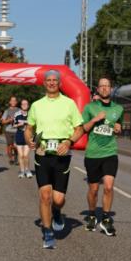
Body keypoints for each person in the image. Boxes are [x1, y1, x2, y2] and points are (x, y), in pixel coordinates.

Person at [25, 69, 84, 249]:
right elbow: (29, 128)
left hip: (61, 154)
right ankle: (48, 231)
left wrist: (69, 141)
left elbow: (79, 128)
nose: (51, 83)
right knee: (45, 195)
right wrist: (29, 140)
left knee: (58, 199)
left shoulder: (69, 104)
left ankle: (57, 211)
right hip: (42, 154)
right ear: (44, 83)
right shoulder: (36, 105)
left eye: (54, 80)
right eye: (48, 80)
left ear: (59, 83)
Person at [81, 77, 124, 236]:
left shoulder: (118, 109)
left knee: (108, 186)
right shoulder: (89, 107)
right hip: (93, 153)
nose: (105, 88)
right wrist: (95, 119)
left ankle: (106, 219)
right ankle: (92, 215)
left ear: (111, 89)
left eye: (107, 86)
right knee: (93, 189)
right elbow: (84, 128)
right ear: (97, 89)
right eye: (102, 86)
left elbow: (119, 127)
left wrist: (119, 128)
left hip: (110, 152)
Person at [14, 98, 31, 178]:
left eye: (26, 104)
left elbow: (35, 125)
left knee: (26, 155)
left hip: (28, 136)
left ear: (28, 105)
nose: (24, 105)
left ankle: (27, 170)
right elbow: (13, 125)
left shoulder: (31, 114)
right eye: (23, 104)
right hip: (19, 135)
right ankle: (22, 171)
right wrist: (18, 125)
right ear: (21, 106)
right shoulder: (17, 114)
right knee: (21, 155)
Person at [2, 96, 20, 166]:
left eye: (14, 101)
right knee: (10, 145)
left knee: (15, 146)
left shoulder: (19, 110)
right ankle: (11, 158)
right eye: (12, 101)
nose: (13, 102)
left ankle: (16, 157)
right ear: (10, 102)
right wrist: (9, 120)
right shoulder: (7, 111)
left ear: (16, 102)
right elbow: (3, 122)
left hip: (17, 130)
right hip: (8, 130)